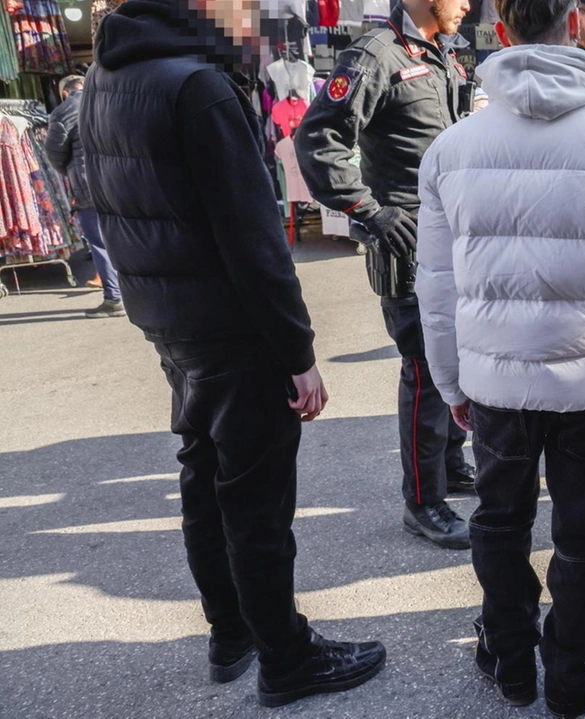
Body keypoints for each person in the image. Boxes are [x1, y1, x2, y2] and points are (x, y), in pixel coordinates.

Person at [82, 0, 385, 706]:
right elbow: (253, 238)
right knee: (255, 498)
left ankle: (232, 632)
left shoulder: (109, 69)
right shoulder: (198, 84)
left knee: (202, 469)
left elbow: (99, 189)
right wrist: (298, 350)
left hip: (167, 312)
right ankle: (285, 653)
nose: (248, 11)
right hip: (229, 320)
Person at [416, 0, 585, 713]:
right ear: (573, 24)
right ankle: (575, 674)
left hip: (495, 387)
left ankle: (509, 661)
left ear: (500, 32)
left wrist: (451, 382)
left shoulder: (450, 150)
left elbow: (436, 291)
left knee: (499, 523)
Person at [296, 0, 477, 550]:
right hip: (407, 242)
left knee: (453, 358)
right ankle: (423, 501)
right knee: (423, 373)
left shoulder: (441, 53)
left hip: (449, 239)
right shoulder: (374, 54)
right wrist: (368, 210)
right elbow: (318, 138)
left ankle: (449, 464)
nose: (468, 4)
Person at [46, 75, 124, 319]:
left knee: (100, 242)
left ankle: (114, 298)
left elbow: (54, 152)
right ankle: (141, 292)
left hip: (87, 184)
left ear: (65, 93)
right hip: (120, 180)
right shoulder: (110, 99)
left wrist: (68, 170)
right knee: (128, 235)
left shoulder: (62, 112)